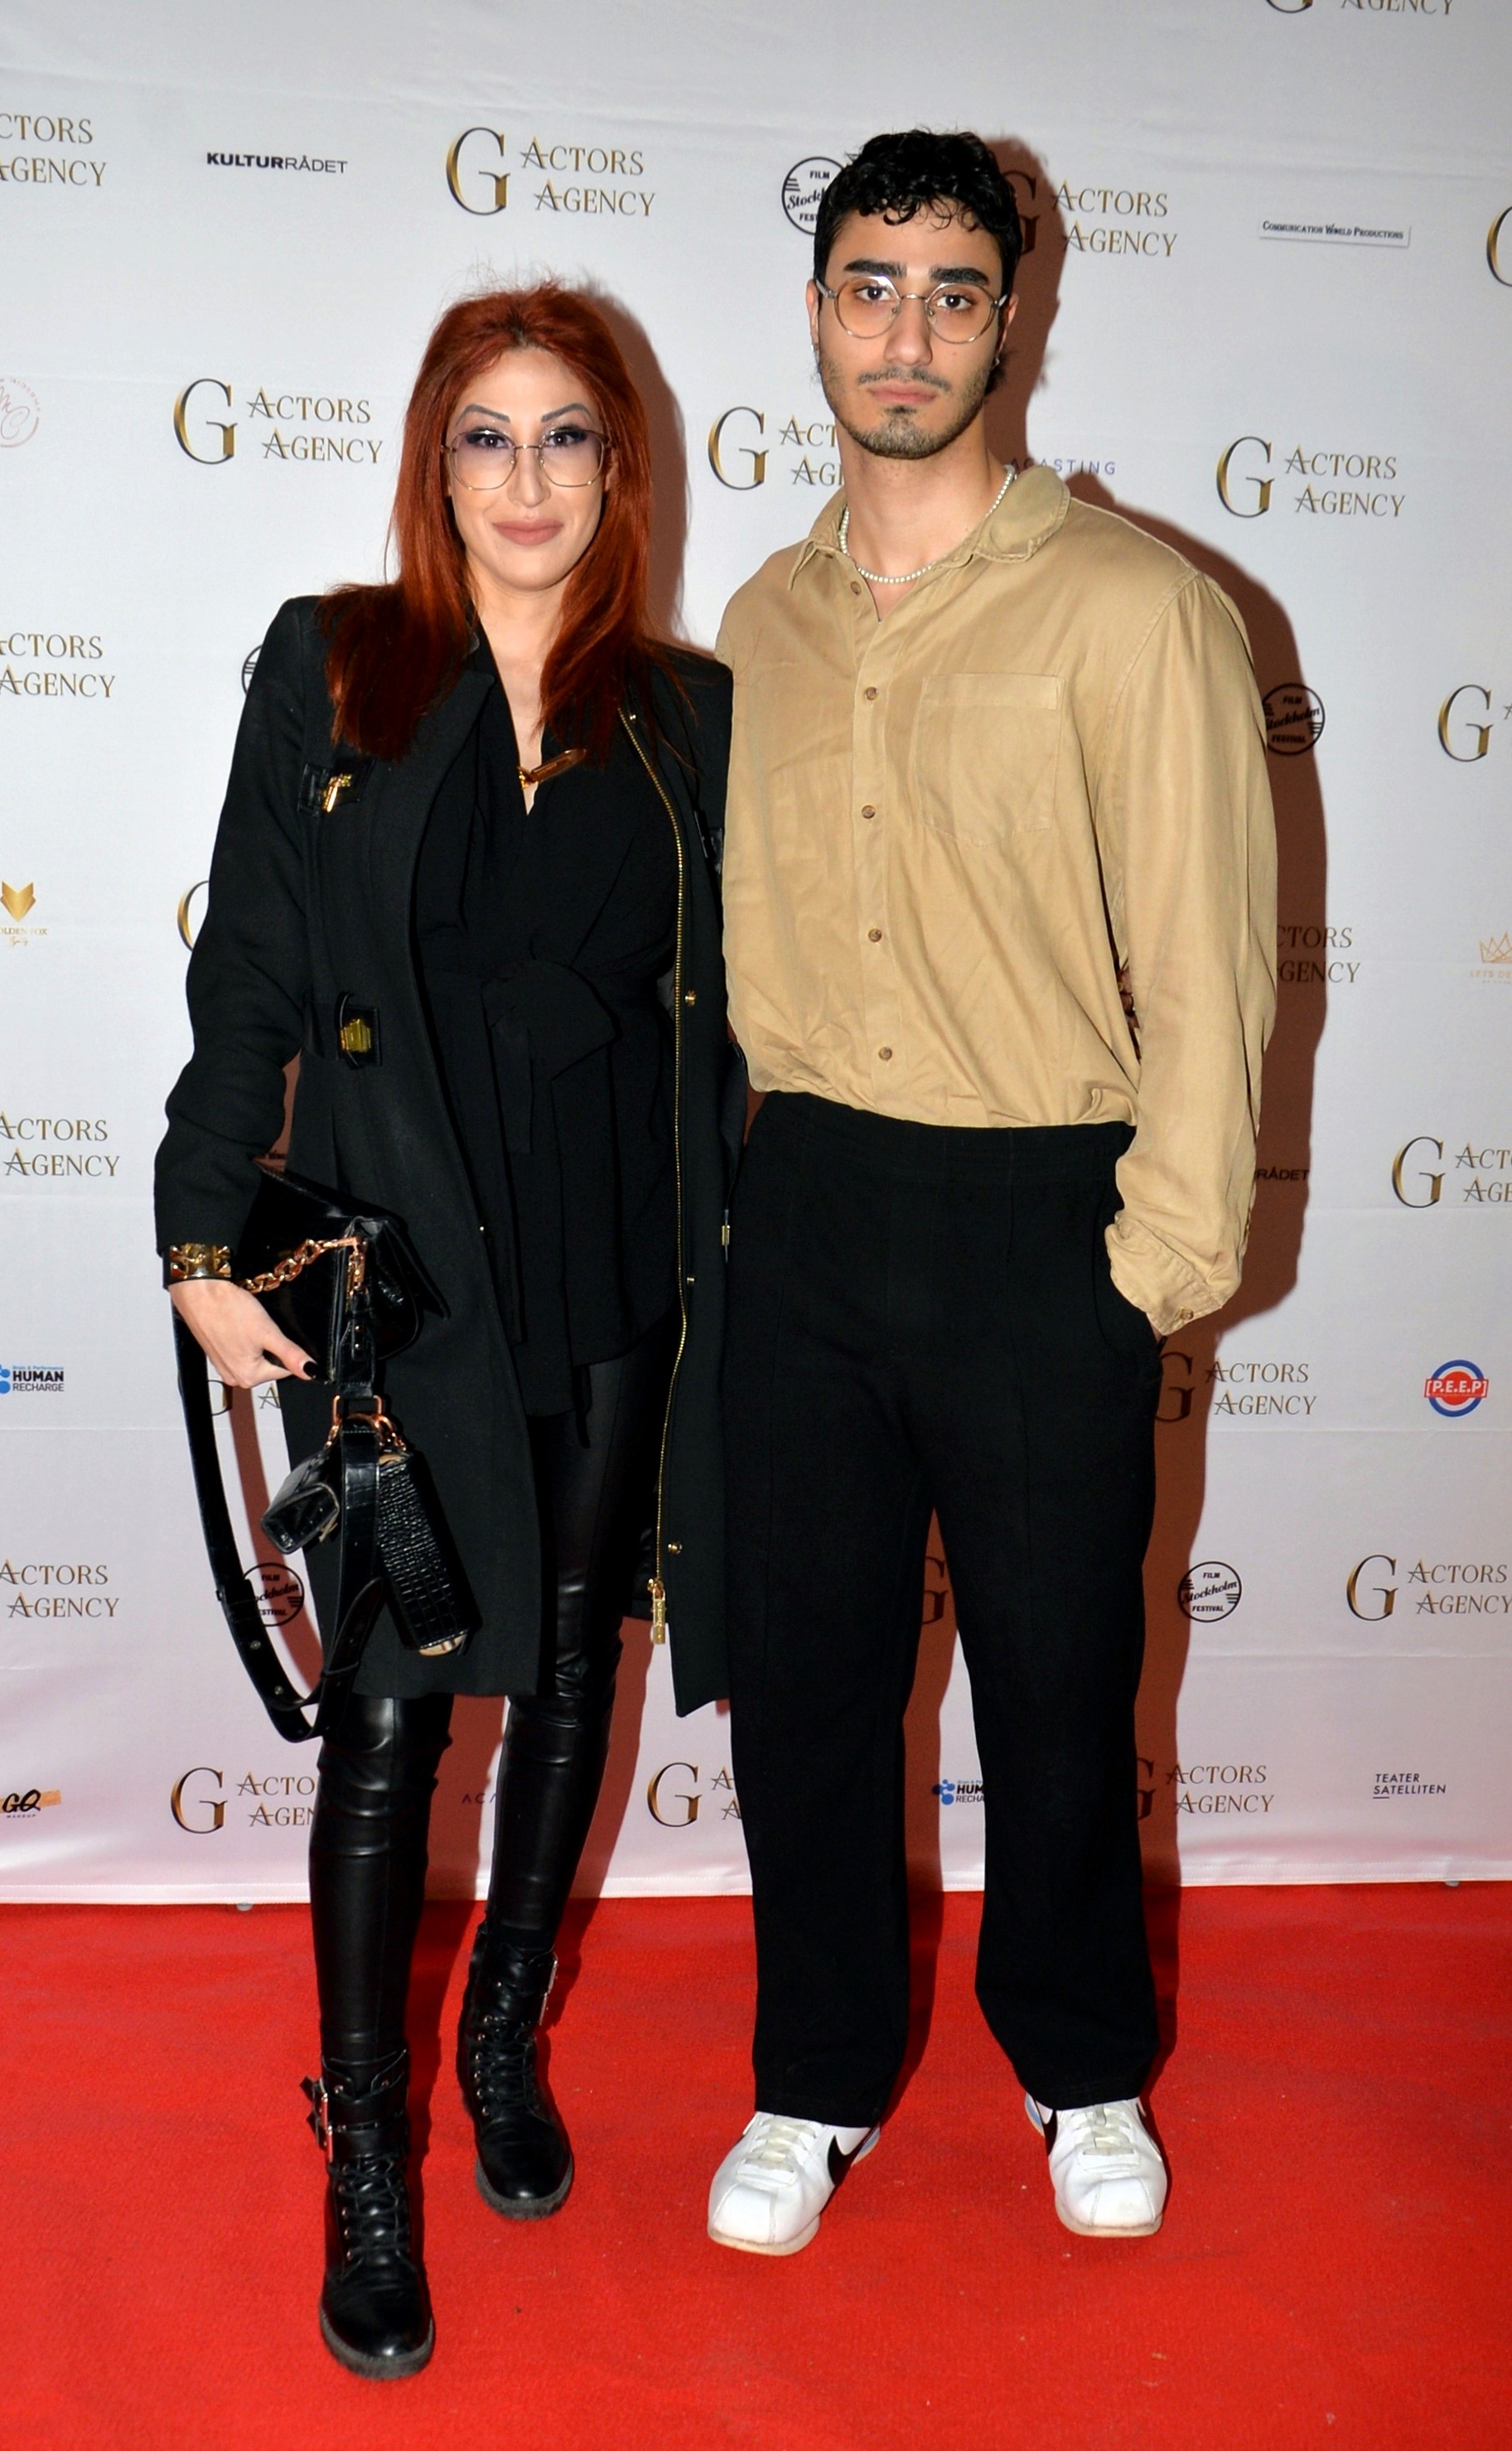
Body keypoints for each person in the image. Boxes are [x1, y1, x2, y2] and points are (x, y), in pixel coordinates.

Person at [156, 286, 737, 2378]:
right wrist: (198, 1233)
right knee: (395, 1713)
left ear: (619, 470)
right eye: (486, 437)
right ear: (434, 463)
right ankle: (366, 2154)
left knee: (573, 1665)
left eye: (566, 436)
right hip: (402, 1274)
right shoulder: (339, 666)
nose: (526, 479)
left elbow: (743, 1004)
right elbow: (249, 970)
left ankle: (499, 2034)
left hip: (612, 1254)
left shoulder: (687, 711)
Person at [707, 130, 1277, 2257]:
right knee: (813, 1694)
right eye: (872, 286)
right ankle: (815, 2078)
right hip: (806, 1211)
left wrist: (1151, 1268)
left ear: (1011, 320)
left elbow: (1212, 960)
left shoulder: (1140, 609)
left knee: (1055, 1687)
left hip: (1045, 1219)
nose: (908, 333)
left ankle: (1081, 2065)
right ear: (817, 312)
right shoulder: (757, 623)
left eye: (954, 292)